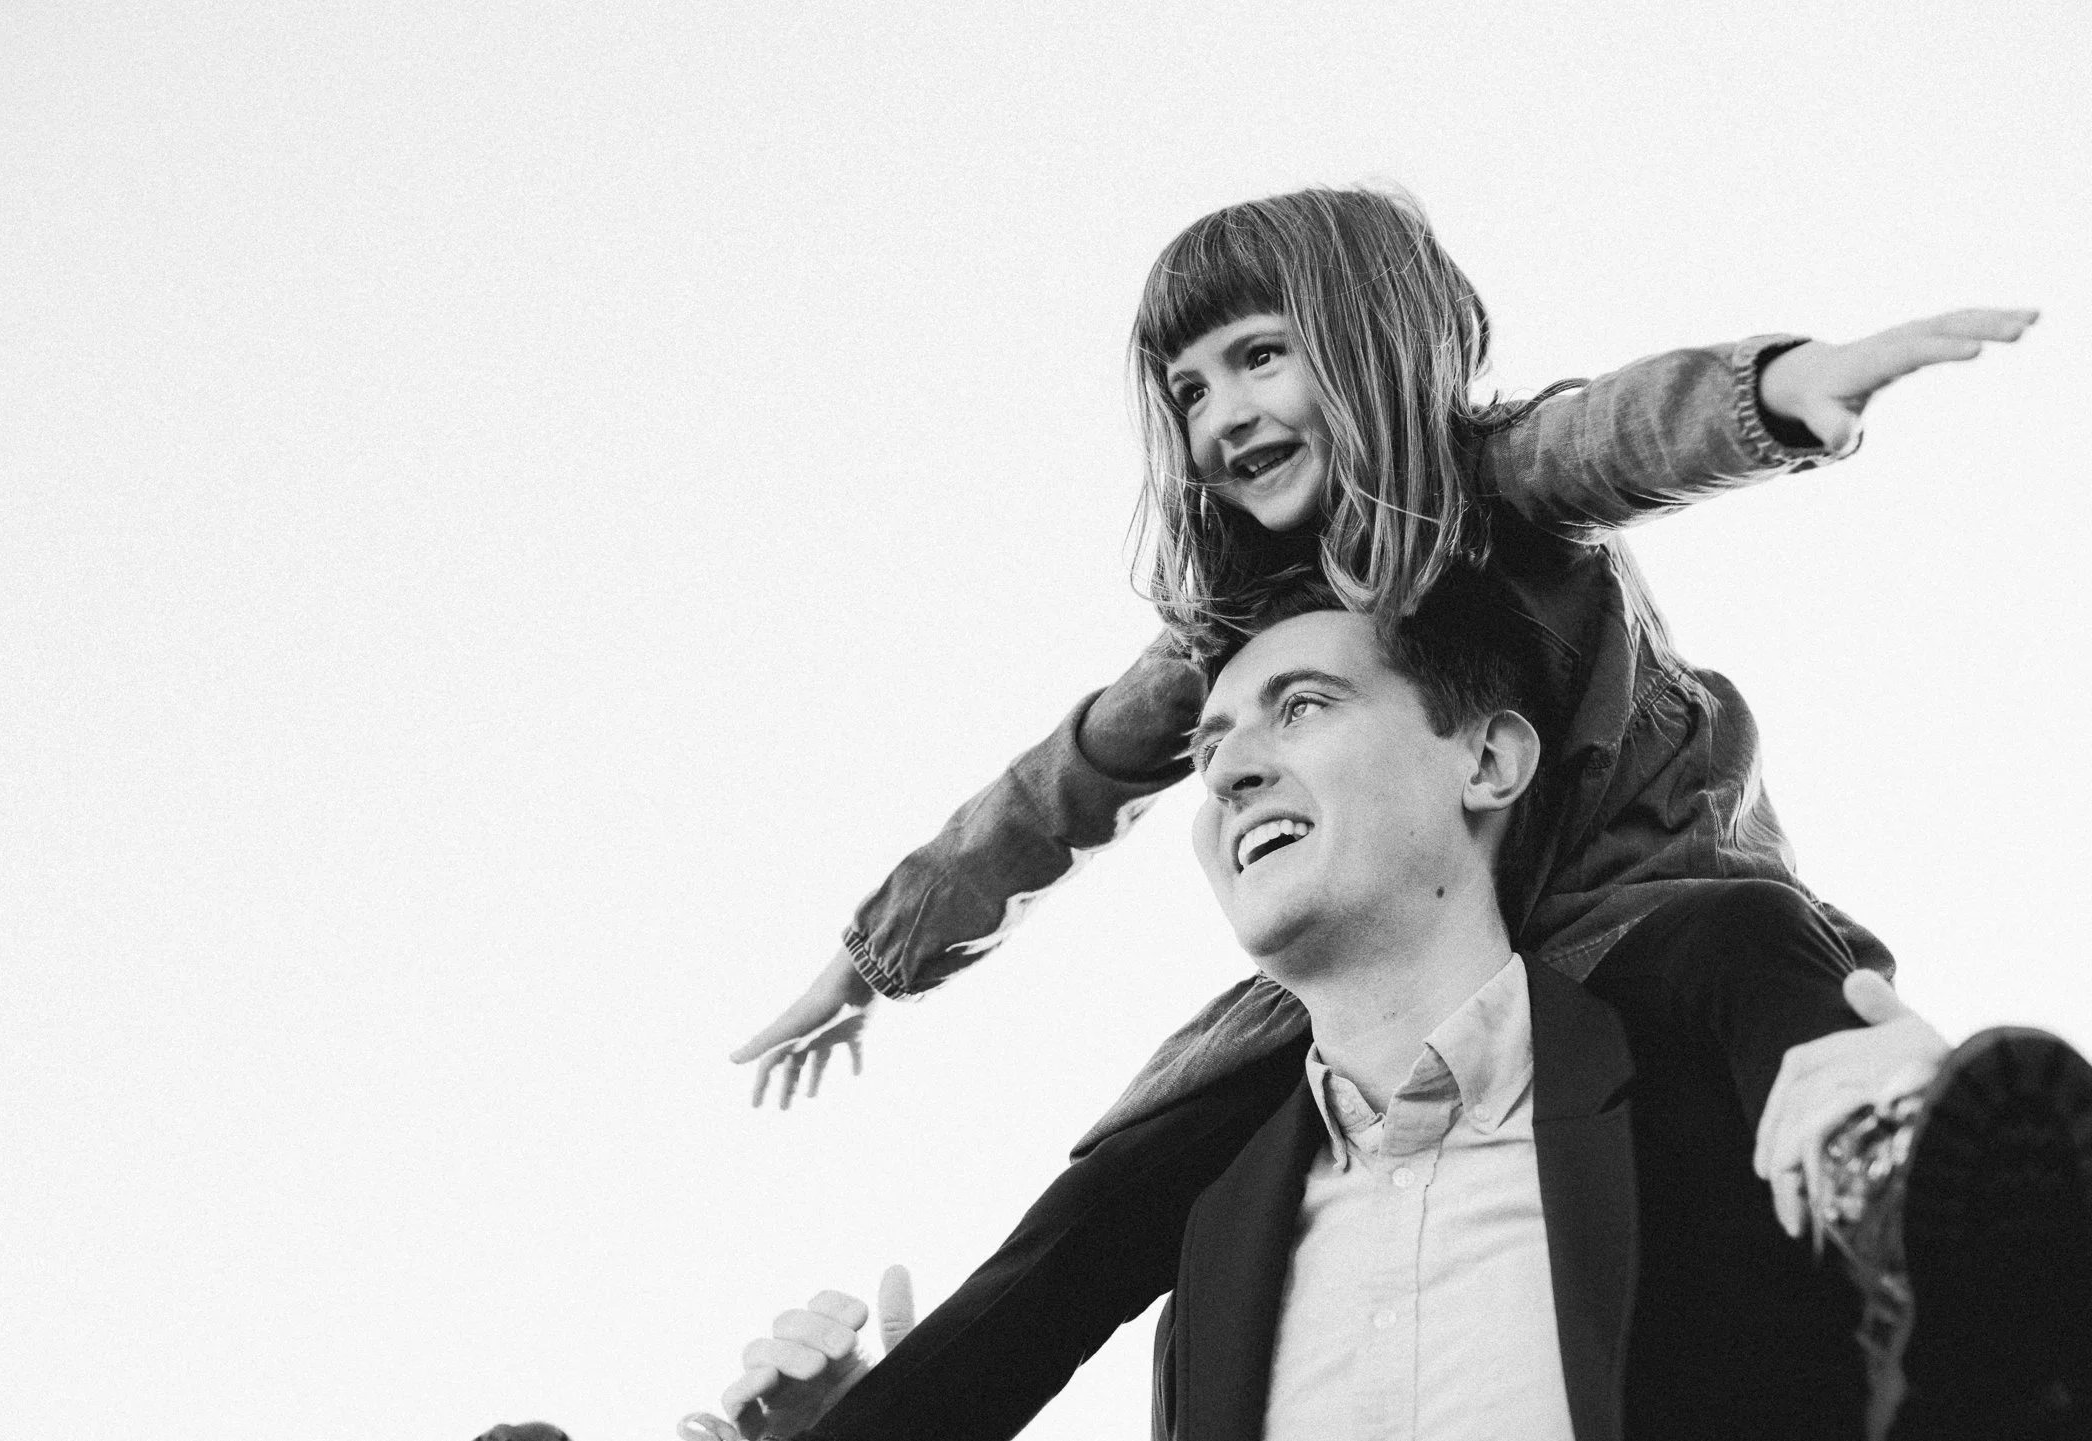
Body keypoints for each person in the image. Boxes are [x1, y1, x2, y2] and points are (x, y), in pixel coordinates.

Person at [730, 187, 2034, 1233]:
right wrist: (873, 960)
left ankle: (1901, 1168)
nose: (1224, 415)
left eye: (1257, 360)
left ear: (1365, 348)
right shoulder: (1238, 629)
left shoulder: (1498, 479)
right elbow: (1065, 782)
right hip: (1418, 964)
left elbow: (1617, 434)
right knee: (1153, 1133)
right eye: (1189, 390)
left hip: (1635, 903)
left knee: (1756, 947)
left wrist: (1782, 390)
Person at [683, 592, 2092, 1441]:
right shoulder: (1209, 1227)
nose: (1231, 770)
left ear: (1489, 756)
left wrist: (1922, 1193)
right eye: (1210, 745)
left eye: (1300, 706)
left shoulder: (1703, 1051)